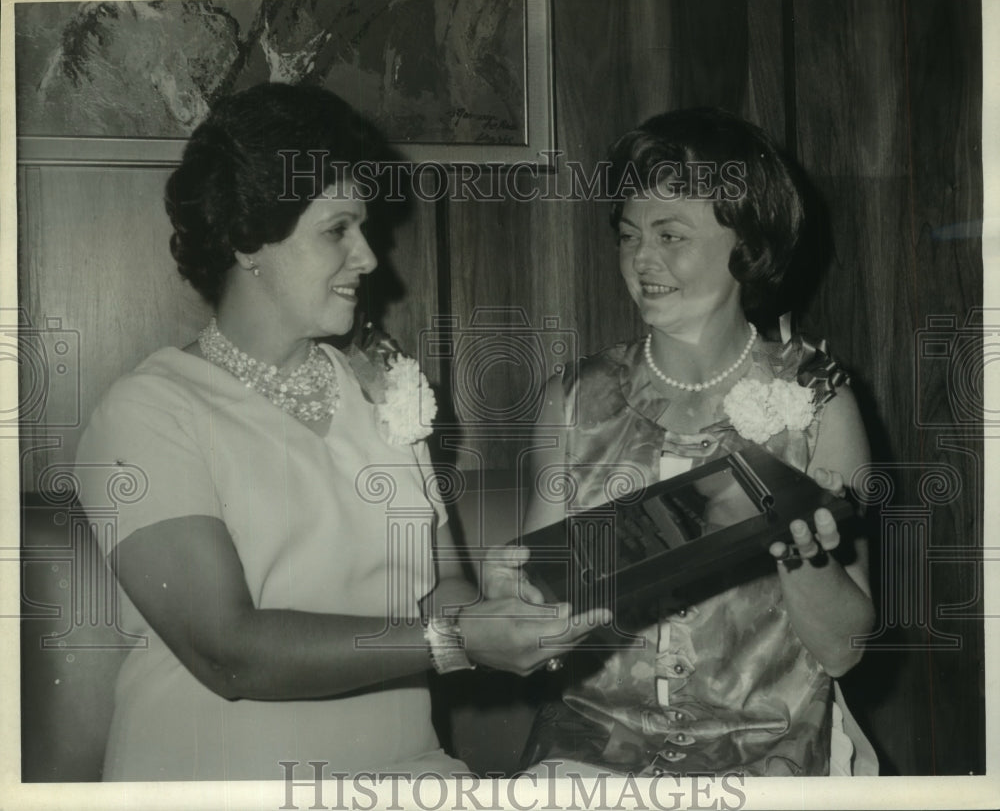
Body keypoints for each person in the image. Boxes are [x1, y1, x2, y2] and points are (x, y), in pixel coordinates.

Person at [74, 83, 606, 782]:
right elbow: (229, 652)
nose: (368, 258)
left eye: (363, 228)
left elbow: (440, 586)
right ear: (245, 239)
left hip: (401, 775)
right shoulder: (148, 411)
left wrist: (495, 610)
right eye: (337, 230)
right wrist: (453, 639)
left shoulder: (384, 387)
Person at [503, 108, 878, 777]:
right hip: (596, 745)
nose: (642, 259)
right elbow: (541, 615)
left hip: (772, 744)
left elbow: (845, 650)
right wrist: (516, 599)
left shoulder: (818, 399)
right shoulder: (572, 400)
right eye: (628, 236)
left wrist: (802, 558)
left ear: (746, 244)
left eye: (671, 235)